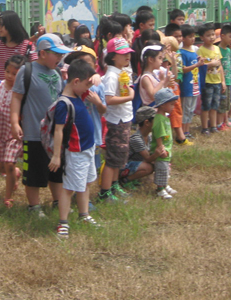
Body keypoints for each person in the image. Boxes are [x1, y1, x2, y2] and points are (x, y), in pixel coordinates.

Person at [10, 33, 71, 216]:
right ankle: (34, 206)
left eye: (61, 55)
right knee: (35, 172)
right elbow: (17, 97)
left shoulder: (56, 73)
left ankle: (57, 201)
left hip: (54, 133)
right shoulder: (27, 71)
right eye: (56, 54)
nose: (60, 58)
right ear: (43, 53)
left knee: (56, 171)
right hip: (34, 132)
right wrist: (14, 122)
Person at [49, 59, 100, 238]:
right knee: (69, 188)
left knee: (85, 184)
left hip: (88, 149)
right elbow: (58, 130)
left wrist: (93, 78)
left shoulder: (80, 94)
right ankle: (63, 222)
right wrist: (56, 156)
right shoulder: (64, 103)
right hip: (76, 152)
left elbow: (97, 79)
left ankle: (83, 214)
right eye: (86, 84)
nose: (89, 89)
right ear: (76, 82)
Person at [99, 37, 135, 203]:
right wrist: (129, 97)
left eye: (128, 53)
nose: (127, 57)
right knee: (113, 158)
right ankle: (105, 192)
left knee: (120, 157)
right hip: (116, 120)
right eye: (123, 54)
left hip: (125, 118)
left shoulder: (123, 71)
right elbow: (109, 99)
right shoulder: (111, 75)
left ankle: (114, 185)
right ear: (113, 56)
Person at [62, 44, 107, 175]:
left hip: (93, 133)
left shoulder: (98, 86)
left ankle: (84, 189)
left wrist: (98, 103)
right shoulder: (68, 85)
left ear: (95, 65)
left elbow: (103, 110)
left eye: (86, 64)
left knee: (92, 165)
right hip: (74, 136)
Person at [0, 55, 25, 208]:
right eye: (8, 71)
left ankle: (8, 197)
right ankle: (15, 173)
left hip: (14, 133)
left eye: (15, 73)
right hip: (0, 131)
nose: (10, 76)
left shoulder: (22, 91)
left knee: (9, 164)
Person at [0, 10, 37, 87]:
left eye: (1, 25)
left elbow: (34, 70)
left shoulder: (28, 46)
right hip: (1, 91)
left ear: (10, 25)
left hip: (20, 91)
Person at [151, 89, 180, 199]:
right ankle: (160, 189)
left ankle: (165, 184)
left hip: (167, 149)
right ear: (162, 105)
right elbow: (158, 134)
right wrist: (160, 147)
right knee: (161, 169)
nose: (173, 107)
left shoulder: (165, 117)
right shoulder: (159, 119)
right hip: (163, 149)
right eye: (171, 104)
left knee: (166, 169)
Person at [119, 106, 159, 187]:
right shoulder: (136, 139)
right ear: (147, 123)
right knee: (149, 167)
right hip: (124, 166)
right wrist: (157, 154)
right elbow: (148, 158)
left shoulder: (149, 136)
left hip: (136, 163)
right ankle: (125, 180)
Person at [197, 25, 226, 133]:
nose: (212, 37)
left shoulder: (217, 49)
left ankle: (213, 126)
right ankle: (205, 127)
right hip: (207, 82)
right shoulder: (201, 50)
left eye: (213, 34)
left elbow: (220, 66)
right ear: (202, 37)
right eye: (208, 35)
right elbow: (200, 65)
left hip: (217, 81)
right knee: (206, 105)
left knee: (215, 105)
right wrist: (210, 64)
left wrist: (222, 81)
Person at [179, 26, 204, 136]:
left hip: (194, 85)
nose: (193, 39)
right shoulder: (182, 53)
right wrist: (196, 65)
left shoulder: (194, 51)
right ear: (183, 38)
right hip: (187, 86)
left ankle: (187, 130)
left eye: (194, 36)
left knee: (191, 110)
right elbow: (183, 69)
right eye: (190, 37)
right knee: (186, 109)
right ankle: (183, 131)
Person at [218, 25, 231, 130]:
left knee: (227, 103)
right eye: (230, 36)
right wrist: (222, 80)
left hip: (229, 80)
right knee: (222, 103)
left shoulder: (229, 51)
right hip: (222, 80)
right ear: (222, 36)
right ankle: (221, 123)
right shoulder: (218, 49)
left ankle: (225, 121)